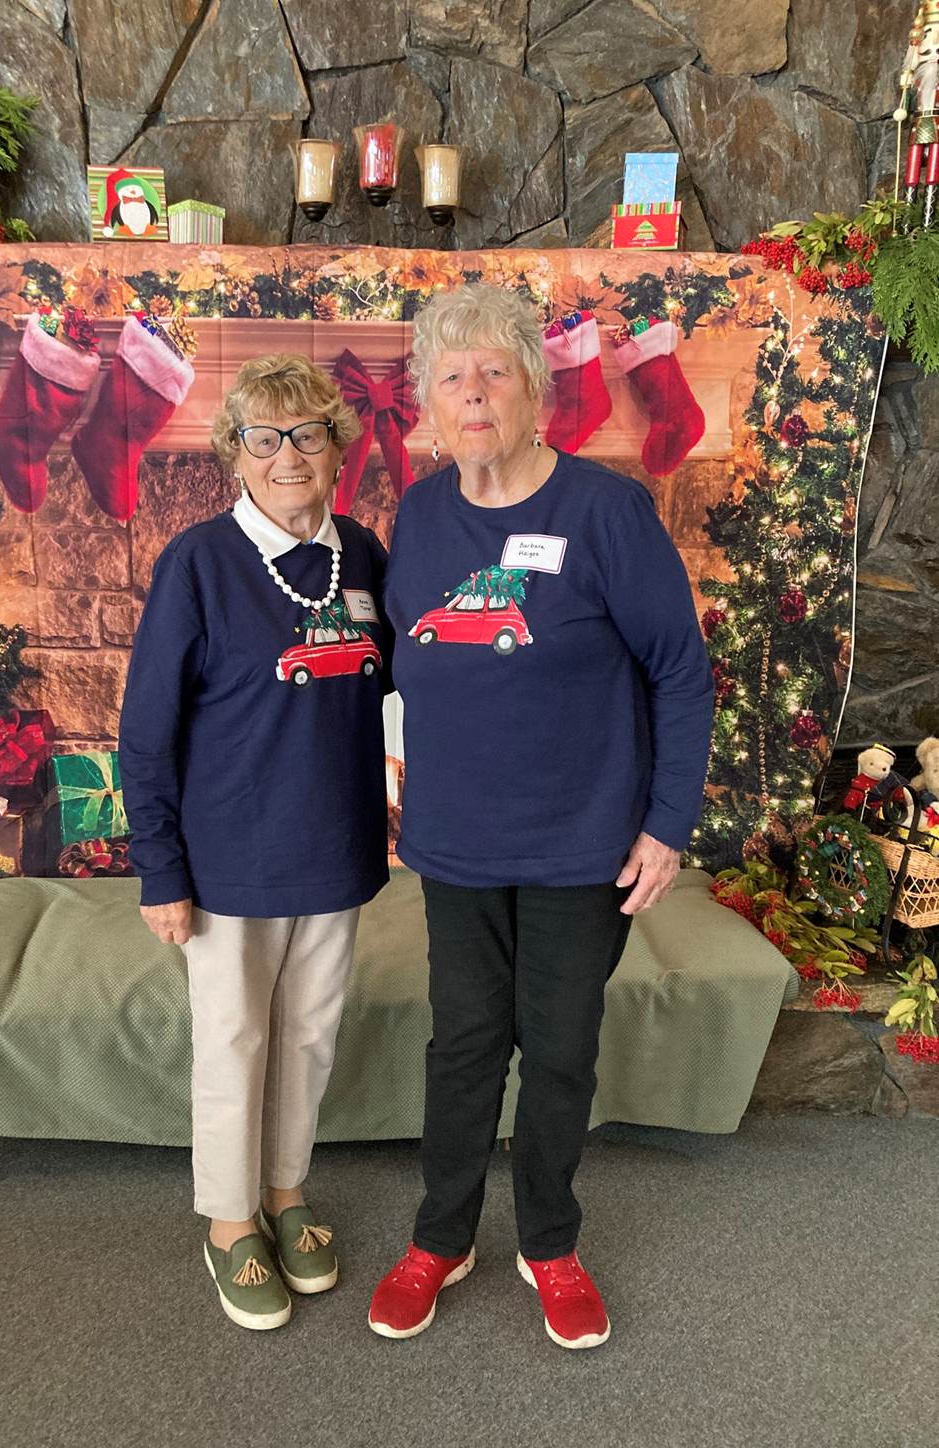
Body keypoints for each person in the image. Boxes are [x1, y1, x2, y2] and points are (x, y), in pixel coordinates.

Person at [369, 285, 714, 1349]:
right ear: (429, 400)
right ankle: (442, 1234)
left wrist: (666, 822)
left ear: (535, 391)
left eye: (494, 371)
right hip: (457, 842)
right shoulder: (419, 514)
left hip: (581, 843)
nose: (472, 393)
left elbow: (680, 672)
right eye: (451, 375)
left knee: (559, 1046)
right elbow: (406, 658)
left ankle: (551, 1243)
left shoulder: (608, 514)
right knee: (464, 1040)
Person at [119, 353, 391, 1332]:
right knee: (234, 1040)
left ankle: (284, 1189)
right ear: (236, 452)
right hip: (228, 860)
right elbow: (145, 732)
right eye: (265, 437)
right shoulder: (196, 564)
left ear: (336, 448)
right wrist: (160, 868)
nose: (288, 456)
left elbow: (404, 685)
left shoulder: (361, 553)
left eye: (308, 433)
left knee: (310, 1037)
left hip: (337, 848)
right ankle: (230, 1218)